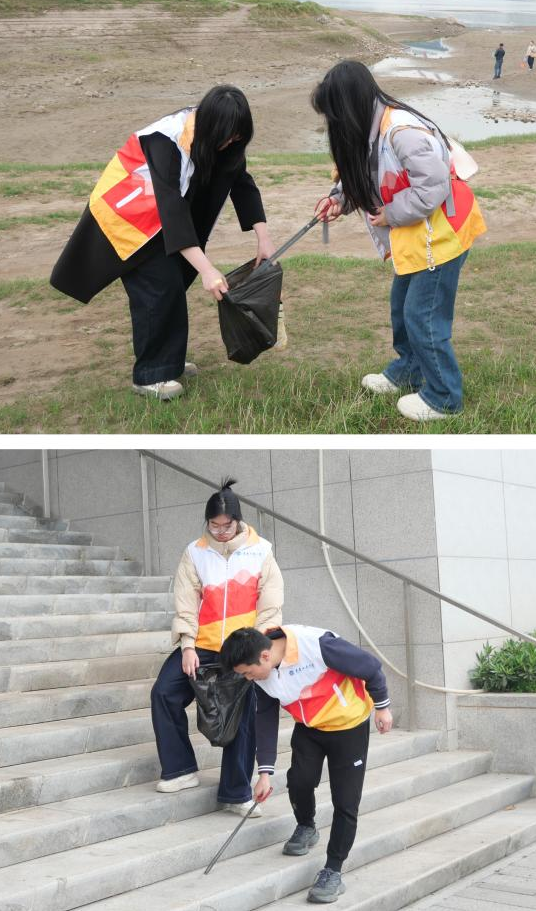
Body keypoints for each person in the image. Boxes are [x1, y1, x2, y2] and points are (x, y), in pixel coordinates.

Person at [50, 86, 273, 401]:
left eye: (237, 139)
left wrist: (263, 237)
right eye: (226, 138)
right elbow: (172, 211)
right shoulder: (165, 140)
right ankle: (150, 376)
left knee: (172, 285)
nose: (229, 145)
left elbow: (241, 182)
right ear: (211, 126)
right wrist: (208, 270)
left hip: (159, 218)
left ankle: (168, 363)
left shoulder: (217, 138)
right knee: (158, 289)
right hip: (127, 217)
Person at [312, 61, 486, 421]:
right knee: (401, 308)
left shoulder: (401, 132)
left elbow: (433, 187)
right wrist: (339, 200)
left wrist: (391, 213)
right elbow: (365, 173)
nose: (333, 123)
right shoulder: (369, 126)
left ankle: (444, 398)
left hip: (442, 235)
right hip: (416, 236)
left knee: (423, 316)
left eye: (334, 114)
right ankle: (409, 370)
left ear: (350, 105)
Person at [221, 625, 393, 904]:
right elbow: (265, 719)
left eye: (248, 673)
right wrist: (264, 773)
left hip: (348, 726)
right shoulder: (262, 674)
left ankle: (333, 870)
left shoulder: (317, 645)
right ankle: (306, 826)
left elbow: (371, 667)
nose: (248, 679)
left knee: (345, 801)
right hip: (309, 726)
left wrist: (382, 707)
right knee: (299, 781)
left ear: (264, 656)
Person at [150, 479, 283, 817]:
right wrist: (187, 646)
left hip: (242, 649)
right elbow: (186, 602)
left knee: (243, 714)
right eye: (214, 525)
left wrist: (255, 648)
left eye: (227, 525)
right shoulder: (195, 552)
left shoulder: (261, 551)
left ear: (238, 521)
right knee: (164, 692)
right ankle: (180, 769)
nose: (221, 532)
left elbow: (270, 606)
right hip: (203, 645)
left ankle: (236, 792)